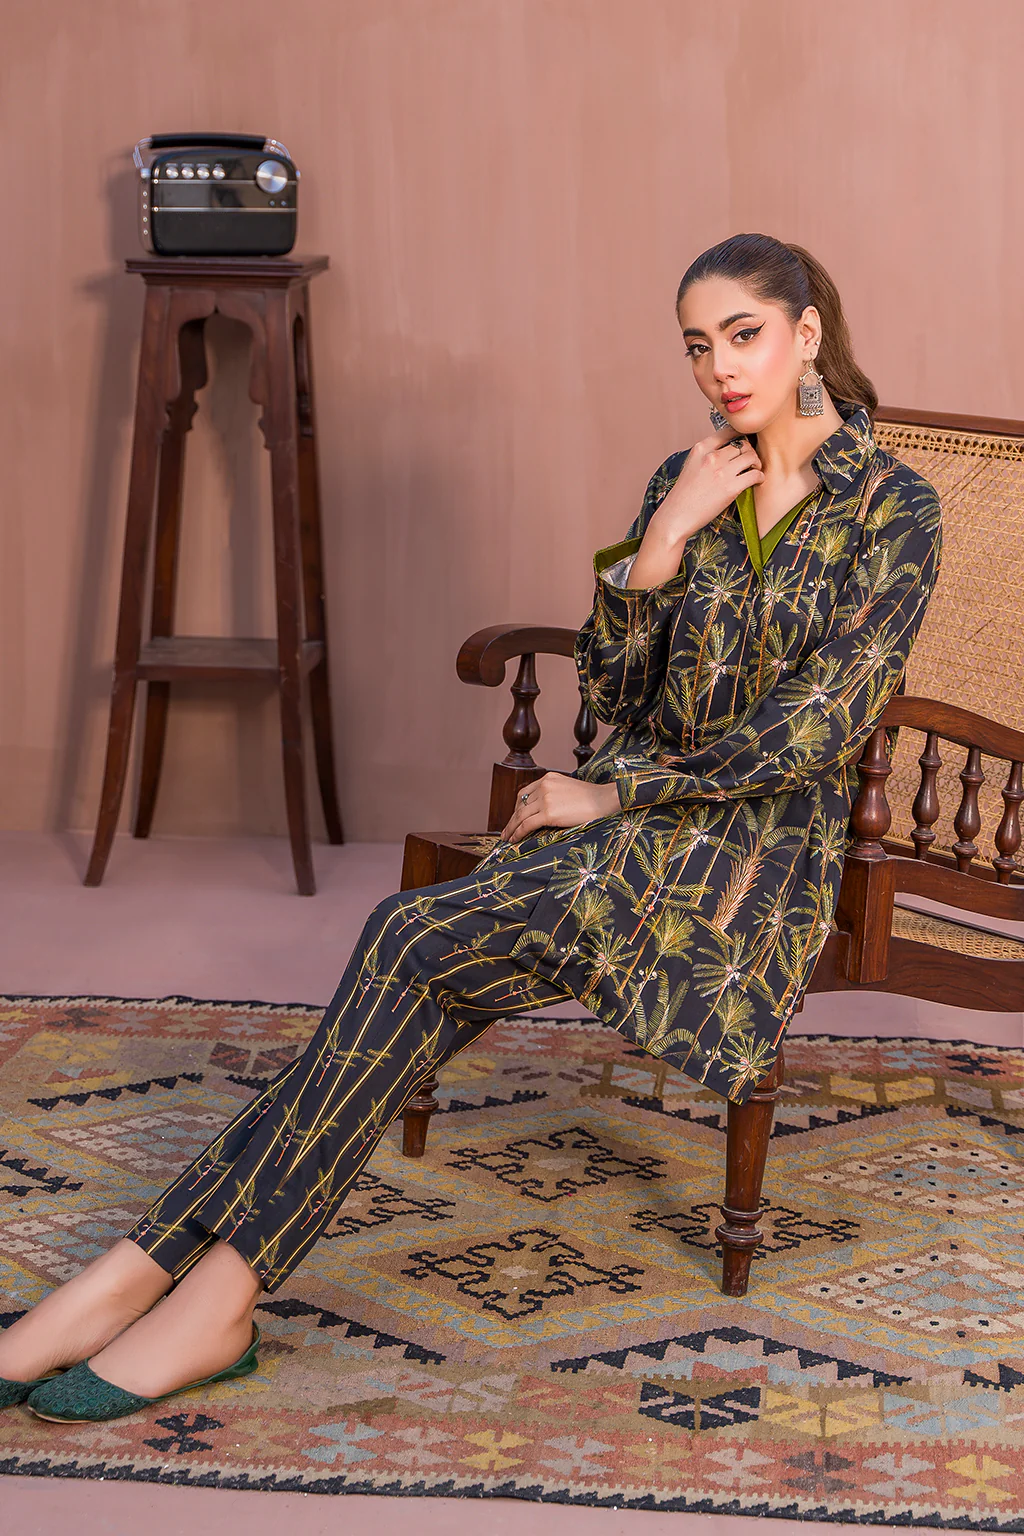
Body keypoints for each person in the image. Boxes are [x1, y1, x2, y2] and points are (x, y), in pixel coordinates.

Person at [0, 232, 943, 1423]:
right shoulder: (690, 475)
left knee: (406, 942)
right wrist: (659, 546)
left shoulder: (894, 508)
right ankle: (184, 1292)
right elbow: (618, 700)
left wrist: (616, 796)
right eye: (697, 346)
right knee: (415, 967)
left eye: (743, 336)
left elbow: (821, 726)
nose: (719, 368)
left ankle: (151, 1281)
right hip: (626, 829)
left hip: (746, 855)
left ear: (805, 334)